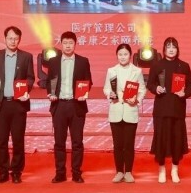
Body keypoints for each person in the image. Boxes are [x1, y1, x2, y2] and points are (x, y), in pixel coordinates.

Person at [0, 26, 35, 184]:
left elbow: (30, 78)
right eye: (10, 38)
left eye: (16, 39)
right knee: (1, 141)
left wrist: (26, 90)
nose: (13, 41)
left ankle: (16, 171)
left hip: (18, 105)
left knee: (18, 140)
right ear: (5, 39)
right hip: (1, 104)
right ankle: (2, 172)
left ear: (19, 40)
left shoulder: (26, 57)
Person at [47, 31, 93, 183]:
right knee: (59, 142)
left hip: (76, 105)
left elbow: (88, 81)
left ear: (75, 44)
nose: (67, 46)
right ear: (61, 44)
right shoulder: (53, 61)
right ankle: (60, 173)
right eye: (65, 43)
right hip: (59, 105)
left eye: (70, 43)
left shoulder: (83, 61)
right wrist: (50, 93)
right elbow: (49, 82)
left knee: (77, 142)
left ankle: (76, 173)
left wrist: (84, 93)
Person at [148, 37, 191, 183]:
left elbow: (190, 86)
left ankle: (175, 169)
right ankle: (161, 169)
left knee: (176, 140)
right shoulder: (157, 65)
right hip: (161, 109)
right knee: (161, 140)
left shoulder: (184, 66)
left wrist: (184, 93)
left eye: (174, 47)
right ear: (164, 49)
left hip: (177, 108)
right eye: (168, 47)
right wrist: (156, 88)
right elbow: (150, 84)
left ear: (177, 49)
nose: (171, 49)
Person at [103, 43, 147, 183]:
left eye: (125, 54)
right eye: (120, 54)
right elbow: (106, 88)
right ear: (117, 56)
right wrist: (109, 94)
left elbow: (142, 89)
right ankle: (119, 172)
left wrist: (137, 99)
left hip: (130, 110)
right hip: (116, 110)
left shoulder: (137, 71)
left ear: (130, 55)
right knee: (117, 145)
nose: (123, 57)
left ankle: (128, 172)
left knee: (128, 144)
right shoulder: (111, 71)